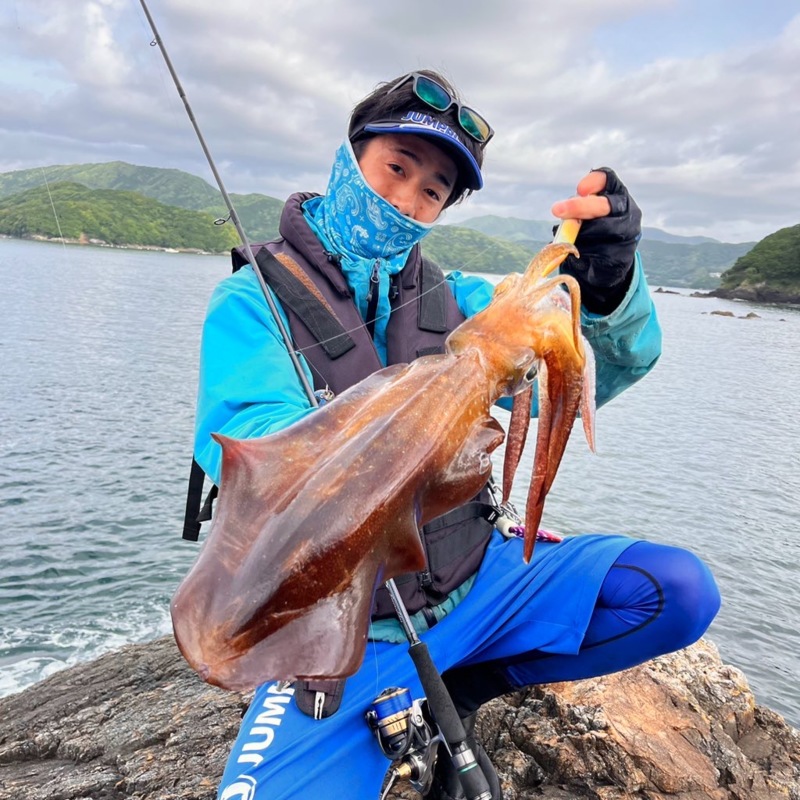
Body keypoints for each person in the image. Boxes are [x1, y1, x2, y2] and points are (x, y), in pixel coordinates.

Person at [192, 70, 721, 800]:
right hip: (355, 628)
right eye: (397, 169)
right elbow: (257, 451)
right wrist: (455, 383)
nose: (407, 199)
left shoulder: (459, 297)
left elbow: (594, 355)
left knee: (677, 593)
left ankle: (463, 684)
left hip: (481, 581)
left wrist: (606, 287)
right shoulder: (251, 301)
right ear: (351, 157)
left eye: (432, 191)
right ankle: (406, 681)